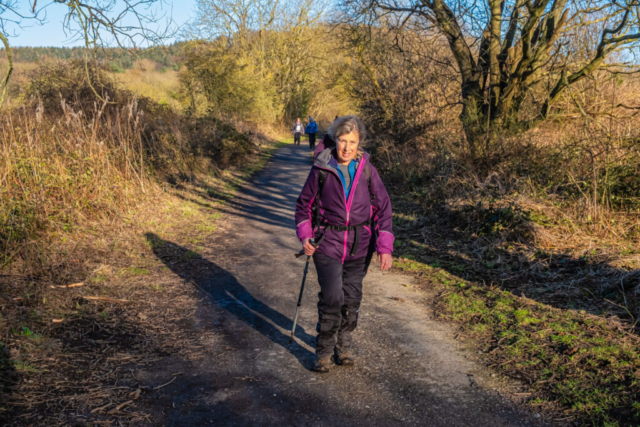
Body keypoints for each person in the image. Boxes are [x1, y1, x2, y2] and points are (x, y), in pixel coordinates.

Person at [294, 115, 394, 372]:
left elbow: (383, 207)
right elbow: (303, 206)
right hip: (327, 243)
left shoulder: (367, 170)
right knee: (332, 297)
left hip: (360, 245)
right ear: (334, 140)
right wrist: (306, 236)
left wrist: (384, 247)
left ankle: (344, 346)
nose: (347, 147)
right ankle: (324, 351)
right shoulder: (321, 168)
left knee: (352, 298)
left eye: (353, 141)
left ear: (359, 143)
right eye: (342, 141)